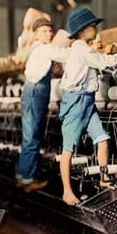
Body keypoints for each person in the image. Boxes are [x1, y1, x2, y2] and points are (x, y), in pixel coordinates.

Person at [59, 7, 117, 205]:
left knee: (103, 140)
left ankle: (103, 178)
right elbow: (104, 63)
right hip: (76, 102)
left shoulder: (83, 49)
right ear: (83, 30)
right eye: (93, 26)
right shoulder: (80, 48)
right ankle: (67, 191)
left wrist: (102, 52)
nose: (96, 28)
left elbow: (95, 61)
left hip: (87, 101)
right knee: (68, 149)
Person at [15, 18, 71, 192]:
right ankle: (29, 181)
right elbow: (64, 55)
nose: (49, 34)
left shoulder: (36, 49)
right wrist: (82, 48)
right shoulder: (43, 48)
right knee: (32, 136)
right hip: (36, 92)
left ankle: (22, 177)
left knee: (29, 136)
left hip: (33, 91)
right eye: (45, 31)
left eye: (50, 31)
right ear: (37, 34)